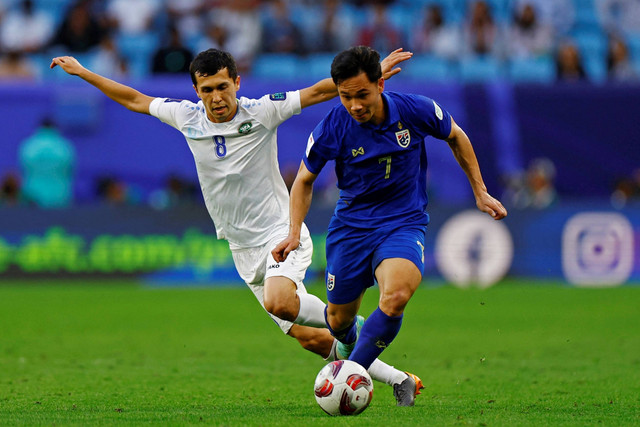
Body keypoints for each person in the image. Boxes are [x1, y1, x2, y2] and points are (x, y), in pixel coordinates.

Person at [50, 47, 424, 405]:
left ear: (237, 83)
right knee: (309, 338)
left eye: (223, 87)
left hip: (281, 232)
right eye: (208, 89)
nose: (216, 97)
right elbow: (134, 99)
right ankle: (398, 378)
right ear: (196, 91)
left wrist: (372, 77)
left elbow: (317, 91)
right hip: (241, 247)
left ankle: (347, 325)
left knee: (279, 301)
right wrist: (83, 73)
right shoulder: (186, 117)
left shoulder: (263, 112)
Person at [272, 46, 507, 381]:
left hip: (403, 223)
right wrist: (294, 231)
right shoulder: (332, 127)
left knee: (395, 296)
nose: (354, 106)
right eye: (345, 96)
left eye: (362, 95)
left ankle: (351, 374)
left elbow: (456, 136)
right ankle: (348, 346)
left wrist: (480, 191)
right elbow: (304, 180)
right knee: (338, 321)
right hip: (351, 227)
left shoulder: (415, 110)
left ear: (380, 85)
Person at [18, 118, 76, 209]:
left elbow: (22, 170)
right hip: (59, 196)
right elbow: (71, 171)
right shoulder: (64, 147)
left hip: (33, 196)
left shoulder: (29, 146)